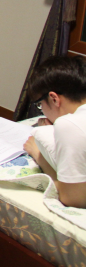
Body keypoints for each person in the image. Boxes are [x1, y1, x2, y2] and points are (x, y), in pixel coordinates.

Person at [23, 55, 86, 209]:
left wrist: (39, 155)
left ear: (54, 99)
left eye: (40, 105)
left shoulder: (69, 125)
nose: (42, 111)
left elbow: (73, 199)